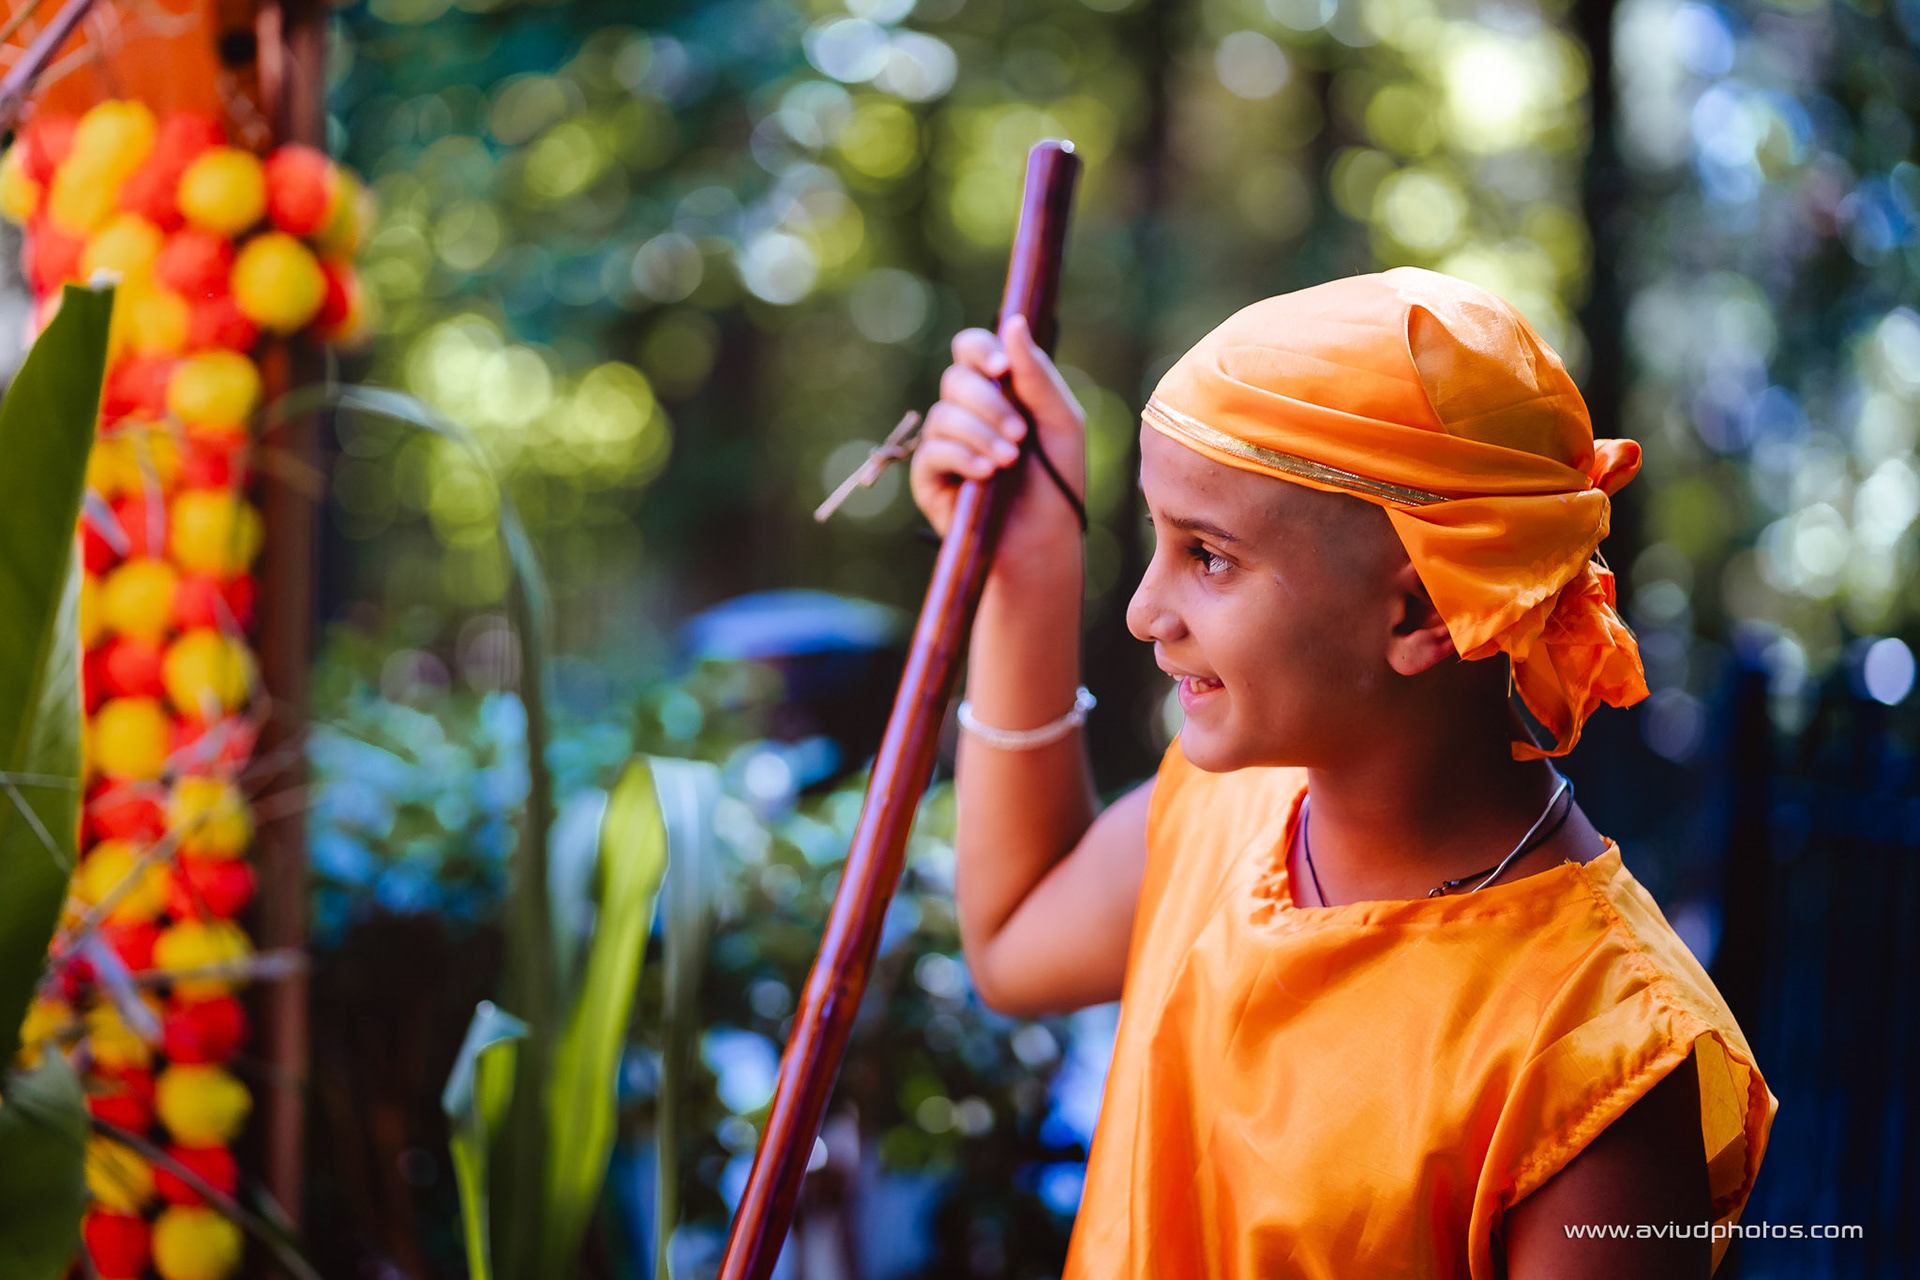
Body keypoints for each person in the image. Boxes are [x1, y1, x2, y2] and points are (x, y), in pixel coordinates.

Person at [908, 268, 1776, 1279]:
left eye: (1209, 555)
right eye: (1158, 538)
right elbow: (1014, 939)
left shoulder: (1602, 1058)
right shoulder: (1232, 805)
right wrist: (1031, 564)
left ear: (1424, 612)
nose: (1145, 611)